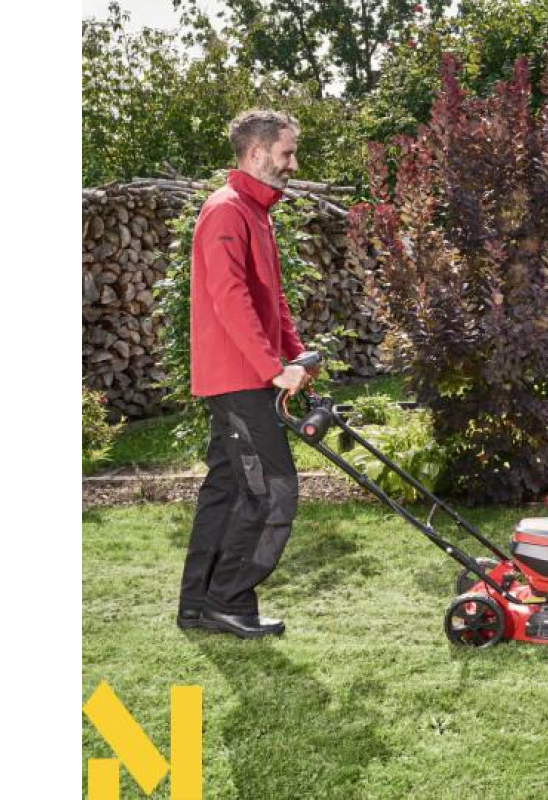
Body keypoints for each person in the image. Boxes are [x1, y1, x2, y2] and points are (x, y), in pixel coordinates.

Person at [176, 109, 317, 639]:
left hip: (248, 376)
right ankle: (229, 600)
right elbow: (229, 298)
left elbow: (270, 299)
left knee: (226, 490)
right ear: (256, 154)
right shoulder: (226, 211)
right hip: (237, 378)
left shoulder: (257, 213)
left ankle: (198, 605)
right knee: (272, 489)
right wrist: (270, 368)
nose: (293, 164)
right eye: (286, 153)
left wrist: (297, 356)